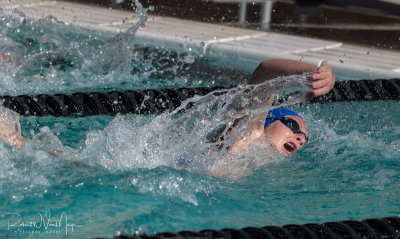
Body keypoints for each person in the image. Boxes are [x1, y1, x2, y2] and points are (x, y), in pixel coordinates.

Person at [0, 57, 335, 156]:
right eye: (292, 124)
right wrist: (314, 74)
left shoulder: (259, 160)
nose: (300, 135)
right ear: (266, 120)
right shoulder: (246, 135)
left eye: (304, 136)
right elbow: (264, 72)